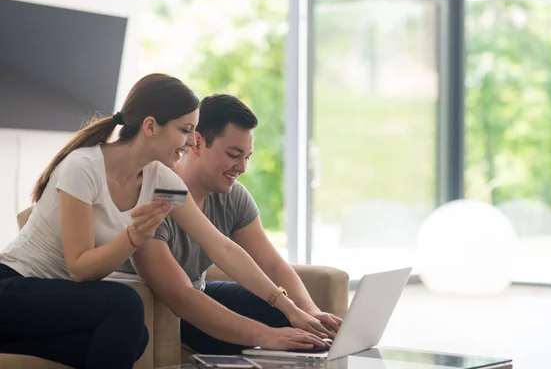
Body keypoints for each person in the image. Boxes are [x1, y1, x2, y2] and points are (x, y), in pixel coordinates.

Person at [0, 75, 324, 369]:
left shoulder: (161, 181)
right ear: (151, 126)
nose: (191, 142)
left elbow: (220, 246)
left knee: (134, 337)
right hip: (12, 286)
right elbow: (80, 268)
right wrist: (134, 236)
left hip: (58, 299)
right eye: (185, 130)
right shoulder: (83, 167)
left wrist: (288, 307)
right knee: (123, 307)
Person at [119, 94, 342, 355]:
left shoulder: (233, 196)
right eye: (234, 154)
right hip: (162, 306)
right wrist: (268, 336)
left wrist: (307, 312)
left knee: (299, 327)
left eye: (247, 156)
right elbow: (180, 296)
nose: (243, 167)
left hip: (200, 289)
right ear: (197, 143)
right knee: (277, 330)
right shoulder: (155, 195)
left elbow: (270, 263)